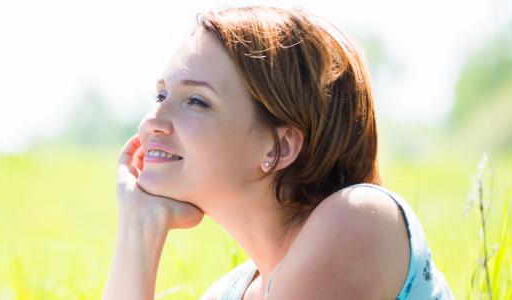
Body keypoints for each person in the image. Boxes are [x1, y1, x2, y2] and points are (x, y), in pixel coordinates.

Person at [102, 6, 452, 300]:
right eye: (161, 96)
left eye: (196, 100)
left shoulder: (356, 219)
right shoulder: (227, 293)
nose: (152, 123)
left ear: (280, 147)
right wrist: (139, 225)